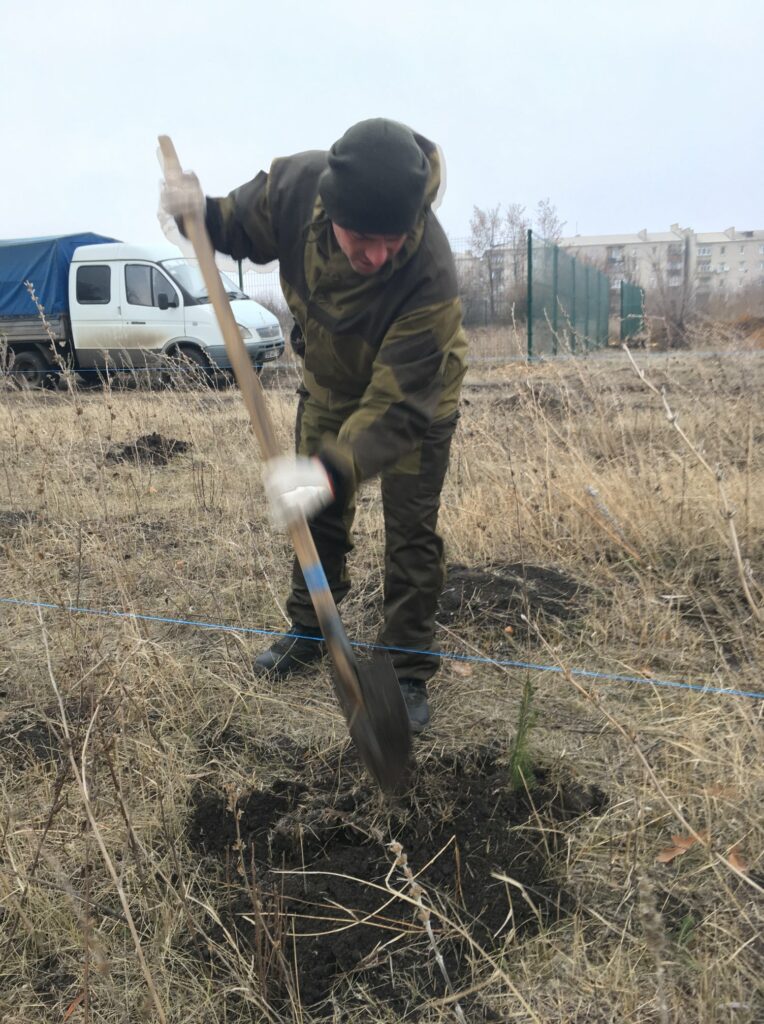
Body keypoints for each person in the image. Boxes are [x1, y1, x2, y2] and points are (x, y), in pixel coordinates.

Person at [161, 118, 467, 732]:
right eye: (361, 237)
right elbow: (232, 223)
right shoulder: (297, 188)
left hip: (415, 397)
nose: (377, 256)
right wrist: (195, 212)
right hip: (329, 377)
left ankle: (405, 669)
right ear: (332, 209)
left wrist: (328, 469)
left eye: (393, 239)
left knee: (410, 529)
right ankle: (310, 628)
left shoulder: (430, 272)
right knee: (315, 514)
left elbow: (398, 406)